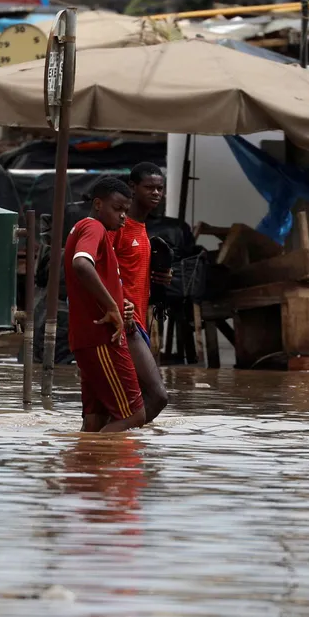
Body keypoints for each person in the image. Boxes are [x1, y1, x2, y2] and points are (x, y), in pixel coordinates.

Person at [64, 176, 147, 433]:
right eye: (117, 209)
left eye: (126, 211)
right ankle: (114, 470)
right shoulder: (93, 228)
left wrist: (119, 301)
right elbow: (81, 263)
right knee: (135, 416)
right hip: (101, 338)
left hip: (88, 339)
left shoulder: (87, 229)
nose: (123, 217)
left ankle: (85, 470)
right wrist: (113, 307)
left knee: (95, 419)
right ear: (98, 204)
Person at [110, 162, 170, 422]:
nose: (156, 193)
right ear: (132, 188)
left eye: (160, 189)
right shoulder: (118, 227)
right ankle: (114, 442)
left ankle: (106, 451)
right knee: (156, 396)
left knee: (110, 407)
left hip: (139, 323)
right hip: (124, 324)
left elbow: (132, 272)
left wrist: (159, 279)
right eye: (149, 188)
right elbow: (103, 272)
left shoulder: (142, 229)